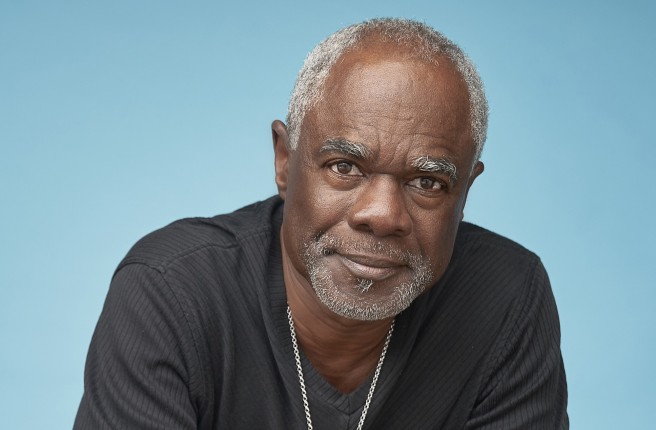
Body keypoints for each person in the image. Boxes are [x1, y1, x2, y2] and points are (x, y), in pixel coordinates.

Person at [74, 18, 568, 429]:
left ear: (465, 192)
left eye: (427, 182)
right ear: (285, 161)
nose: (382, 215)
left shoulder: (505, 297)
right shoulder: (171, 291)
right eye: (344, 167)